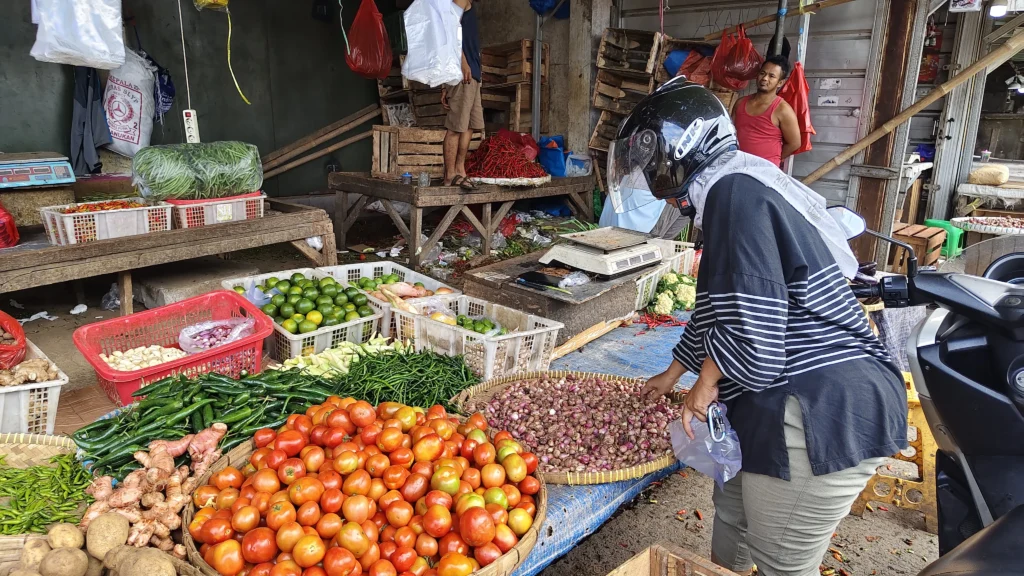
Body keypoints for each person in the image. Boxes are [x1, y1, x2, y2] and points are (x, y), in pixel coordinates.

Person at [607, 78, 908, 576]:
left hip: (820, 408)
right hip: (780, 400)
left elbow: (756, 337)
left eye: (649, 164)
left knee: (780, 564)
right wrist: (674, 371)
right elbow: (718, 307)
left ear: (676, 151)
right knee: (732, 517)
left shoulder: (733, 194)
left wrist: (702, 386)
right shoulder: (740, 184)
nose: (652, 183)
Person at [441, 0, 483, 190]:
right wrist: (462, 61)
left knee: (469, 126)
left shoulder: (470, 4)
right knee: (456, 127)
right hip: (461, 73)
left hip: (473, 74)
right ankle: (450, 175)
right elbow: (448, 29)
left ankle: (460, 170)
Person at [731, 55, 801, 167]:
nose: (765, 78)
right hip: (737, 166)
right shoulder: (740, 103)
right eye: (762, 73)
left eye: (771, 76)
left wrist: (772, 159)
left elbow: (795, 143)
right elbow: (731, 133)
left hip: (764, 171)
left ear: (780, 83)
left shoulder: (783, 109)